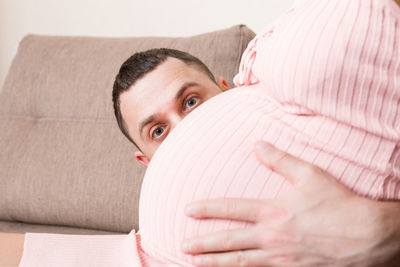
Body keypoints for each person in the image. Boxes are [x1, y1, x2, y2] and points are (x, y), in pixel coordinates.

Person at [8, 0, 400, 266]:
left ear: (230, 93)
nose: (186, 128)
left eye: (191, 102)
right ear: (148, 163)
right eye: (159, 130)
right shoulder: (150, 243)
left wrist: (384, 229)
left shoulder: (310, 109)